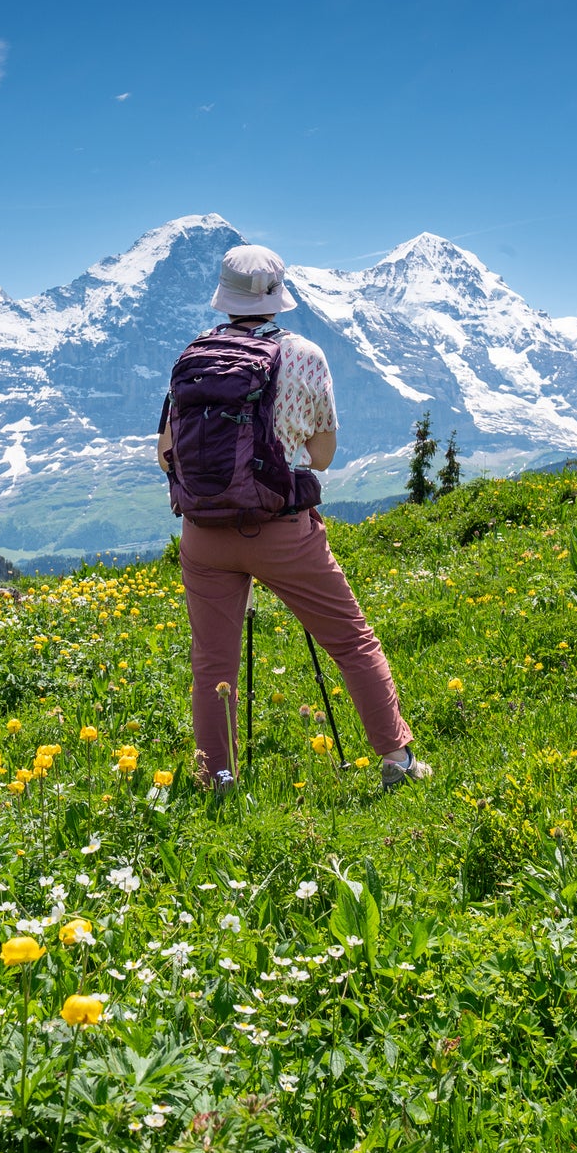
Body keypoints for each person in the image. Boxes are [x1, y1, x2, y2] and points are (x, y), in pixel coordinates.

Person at [156, 242, 432, 791]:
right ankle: (398, 762)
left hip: (203, 534)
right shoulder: (303, 354)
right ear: (278, 297)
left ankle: (218, 778)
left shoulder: (192, 355)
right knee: (352, 642)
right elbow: (322, 455)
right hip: (281, 531)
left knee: (214, 664)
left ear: (225, 299)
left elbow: (166, 451)